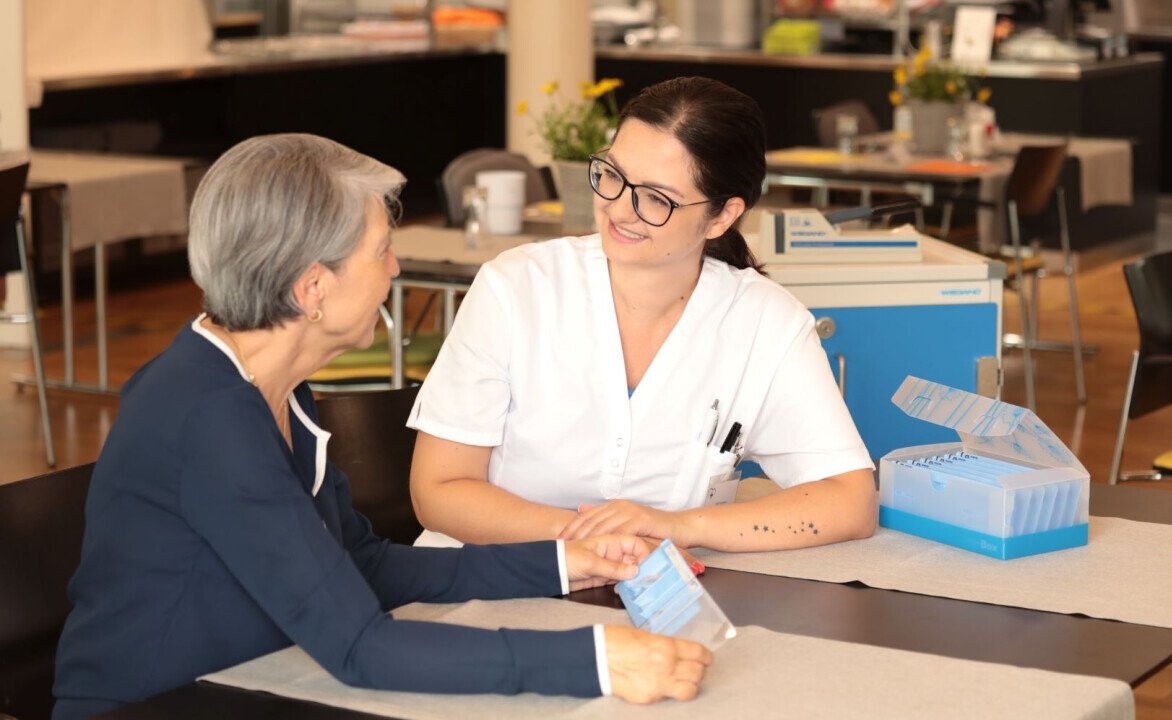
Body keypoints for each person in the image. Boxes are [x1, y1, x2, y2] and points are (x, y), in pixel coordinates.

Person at [52, 134, 712, 719]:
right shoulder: (209, 418)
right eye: (381, 250)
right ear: (312, 289)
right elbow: (360, 646)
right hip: (159, 705)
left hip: (253, 684)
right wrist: (596, 661)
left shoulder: (270, 384)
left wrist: (568, 561)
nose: (394, 268)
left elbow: (361, 566)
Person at [408, 76, 878, 551]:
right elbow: (439, 491)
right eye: (611, 175)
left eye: (656, 198)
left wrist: (677, 527)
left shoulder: (766, 322)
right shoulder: (517, 288)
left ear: (721, 217)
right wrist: (590, 539)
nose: (618, 209)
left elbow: (850, 501)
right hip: (486, 582)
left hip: (654, 592)